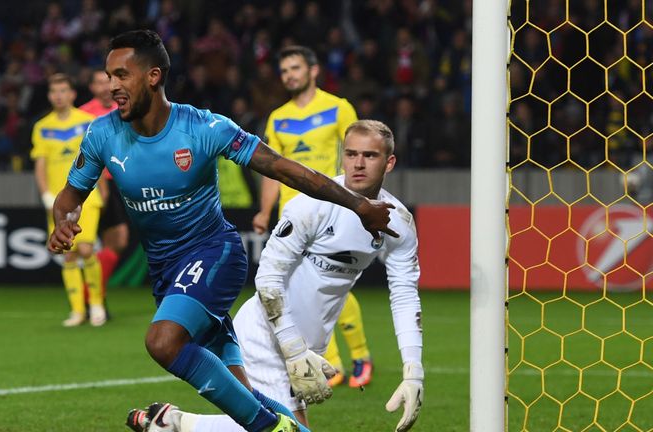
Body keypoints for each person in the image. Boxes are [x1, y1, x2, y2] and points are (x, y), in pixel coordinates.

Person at [47, 30, 396, 432]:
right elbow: (71, 195)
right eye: (109, 76)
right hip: (165, 270)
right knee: (241, 391)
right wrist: (64, 222)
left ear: (153, 76)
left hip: (214, 253)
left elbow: (286, 169)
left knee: (162, 342)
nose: (112, 87)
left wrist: (357, 204)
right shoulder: (101, 134)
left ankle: (270, 430)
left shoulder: (203, 128)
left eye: (122, 75)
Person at [136, 120, 424, 432]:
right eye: (351, 153)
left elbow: (405, 294)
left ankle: (173, 424)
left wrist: (413, 372)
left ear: (389, 162)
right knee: (283, 429)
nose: (358, 163)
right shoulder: (313, 205)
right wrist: (293, 348)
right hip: (267, 336)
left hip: (310, 343)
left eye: (370, 156)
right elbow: (268, 279)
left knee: (279, 427)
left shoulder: (398, 223)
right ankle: (175, 424)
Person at [251, 45, 375, 389]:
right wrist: (264, 211)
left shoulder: (337, 107)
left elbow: (359, 155)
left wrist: (359, 199)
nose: (289, 74)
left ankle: (361, 355)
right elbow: (271, 169)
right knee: (298, 291)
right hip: (291, 216)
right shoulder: (278, 116)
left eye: (295, 68)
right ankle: (330, 364)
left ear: (313, 70)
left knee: (332, 282)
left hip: (331, 208)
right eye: (284, 70)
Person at [31, 73, 106, 327]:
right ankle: (77, 311)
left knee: (86, 249)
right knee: (69, 254)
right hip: (59, 200)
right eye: (54, 91)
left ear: (73, 94)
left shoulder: (88, 122)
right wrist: (45, 195)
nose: (59, 95)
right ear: (50, 95)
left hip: (87, 196)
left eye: (64, 90)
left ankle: (96, 304)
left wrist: (103, 188)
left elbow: (99, 158)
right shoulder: (42, 126)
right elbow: (40, 165)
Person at [79, 68, 142, 297]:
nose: (105, 87)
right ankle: (89, 294)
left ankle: (93, 294)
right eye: (99, 83)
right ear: (92, 88)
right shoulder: (83, 115)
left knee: (114, 241)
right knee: (115, 238)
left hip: (124, 182)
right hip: (98, 183)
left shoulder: (126, 110)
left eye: (108, 82)